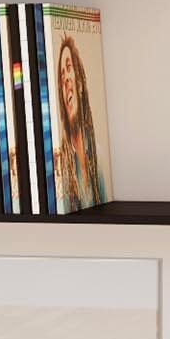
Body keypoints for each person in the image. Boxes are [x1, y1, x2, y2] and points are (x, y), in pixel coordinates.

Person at [52, 34, 105, 211]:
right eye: (62, 74)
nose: (66, 79)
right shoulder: (62, 163)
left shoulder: (97, 157)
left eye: (69, 68)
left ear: (80, 84)